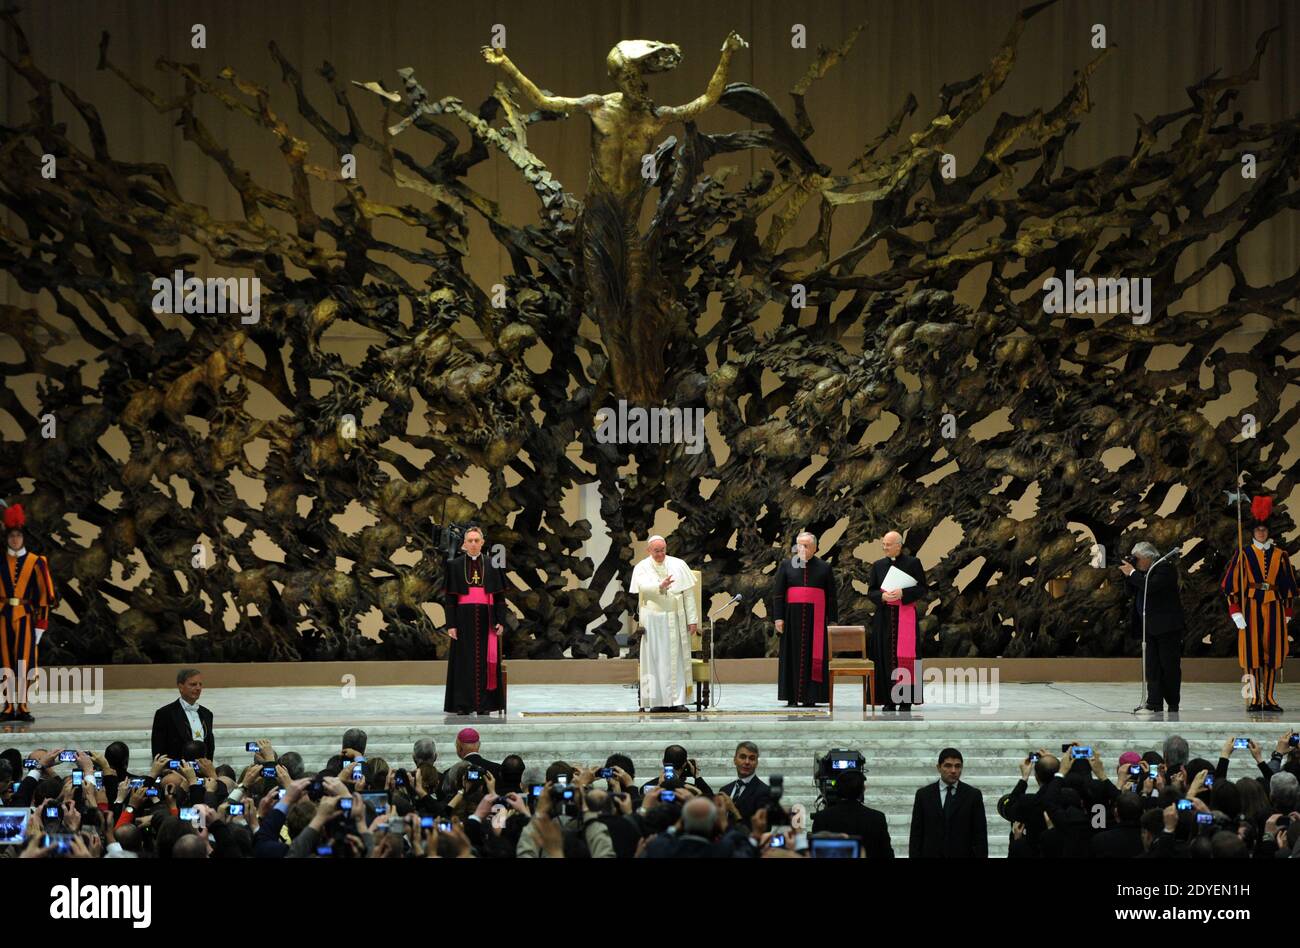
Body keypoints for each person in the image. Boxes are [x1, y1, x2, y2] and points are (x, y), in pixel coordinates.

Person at [1220, 495, 1298, 713]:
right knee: (1252, 655)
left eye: (1264, 529)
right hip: (1251, 608)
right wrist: (1235, 611)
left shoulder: (1280, 555)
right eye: (1258, 530)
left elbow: (1288, 585)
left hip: (1274, 607)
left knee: (1272, 655)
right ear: (1253, 532)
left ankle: (1270, 698)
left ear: (1268, 531)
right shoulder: (1243, 555)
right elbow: (1231, 585)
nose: (1261, 532)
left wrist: (1288, 611)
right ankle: (1254, 698)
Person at [0, 501, 58, 722]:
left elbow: (44, 596)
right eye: (11, 536)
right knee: (4, 661)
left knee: (24, 661)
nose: (15, 540)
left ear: (23, 538)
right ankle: (7, 706)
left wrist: (41, 625)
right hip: (3, 616)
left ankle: (22, 705)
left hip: (25, 616)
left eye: (18, 536)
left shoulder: (36, 562)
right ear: (7, 538)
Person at [629, 535, 698, 712]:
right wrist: (661, 585)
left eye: (663, 550)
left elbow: (688, 594)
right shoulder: (642, 567)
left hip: (675, 617)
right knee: (654, 660)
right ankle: (655, 701)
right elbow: (643, 588)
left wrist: (693, 620)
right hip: (653, 620)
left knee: (677, 660)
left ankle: (678, 700)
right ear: (649, 550)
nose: (660, 554)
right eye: (656, 551)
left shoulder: (679, 564)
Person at [443, 526, 507, 715]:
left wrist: (500, 620)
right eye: (469, 540)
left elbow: (500, 598)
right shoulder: (455, 565)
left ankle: (485, 705)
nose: (473, 544)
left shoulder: (493, 565)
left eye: (476, 540)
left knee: (486, 662)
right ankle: (463, 705)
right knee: (464, 663)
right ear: (464, 543)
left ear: (482, 543)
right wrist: (451, 624)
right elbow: (450, 599)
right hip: (463, 621)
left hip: (487, 619)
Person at [773, 531, 838, 707]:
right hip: (791, 619)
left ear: (815, 548)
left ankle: (812, 696)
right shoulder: (787, 565)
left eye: (806, 545)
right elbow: (778, 594)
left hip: (815, 620)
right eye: (798, 545)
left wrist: (832, 620)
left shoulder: (825, 567)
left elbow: (831, 596)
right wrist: (778, 618)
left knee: (814, 655)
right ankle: (792, 696)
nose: (801, 548)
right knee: (792, 656)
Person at [1121, 540, 1186, 712]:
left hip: (1167, 628)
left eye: (1139, 559)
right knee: (1152, 666)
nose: (1137, 563)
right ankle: (1154, 701)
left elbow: (1150, 587)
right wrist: (1129, 576)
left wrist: (1133, 573)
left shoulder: (1164, 568)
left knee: (1169, 665)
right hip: (1148, 628)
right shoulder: (1143, 572)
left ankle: (1173, 702)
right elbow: (1130, 592)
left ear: (1149, 557)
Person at [867, 531, 928, 711]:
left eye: (888, 544)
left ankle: (906, 700)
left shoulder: (913, 563)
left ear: (899, 545)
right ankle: (888, 699)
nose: (885, 547)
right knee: (884, 657)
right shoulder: (878, 566)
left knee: (907, 657)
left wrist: (904, 593)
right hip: (884, 618)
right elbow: (871, 592)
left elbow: (923, 588)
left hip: (905, 616)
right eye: (883, 544)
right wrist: (882, 596)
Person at [909, 748, 987, 858]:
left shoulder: (973, 795)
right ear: (939, 768)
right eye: (948, 766)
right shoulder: (924, 795)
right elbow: (916, 835)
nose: (953, 770)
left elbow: (980, 836)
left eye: (958, 766)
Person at [809, 770, 894, 857]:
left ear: (837, 789)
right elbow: (887, 854)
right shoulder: (877, 818)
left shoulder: (822, 818)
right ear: (863, 789)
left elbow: (815, 853)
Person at [151, 668, 215, 760]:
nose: (198, 688)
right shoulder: (165, 714)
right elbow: (158, 750)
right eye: (193, 684)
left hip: (203, 770)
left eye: (200, 684)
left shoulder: (207, 714)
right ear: (181, 687)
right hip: (176, 771)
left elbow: (210, 747)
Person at [718, 741, 771, 823]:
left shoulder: (765, 792)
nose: (747, 762)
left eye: (752, 758)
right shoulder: (725, 790)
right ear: (734, 760)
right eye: (742, 757)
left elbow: (764, 829)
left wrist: (733, 810)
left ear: (757, 763)